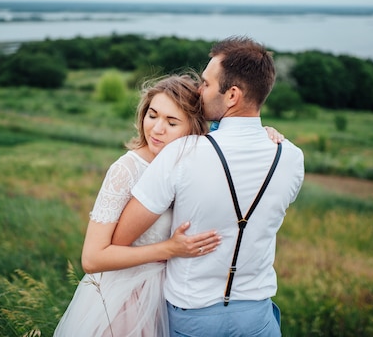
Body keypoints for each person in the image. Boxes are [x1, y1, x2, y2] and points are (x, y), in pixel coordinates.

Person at [54, 73, 285, 337]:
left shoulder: (198, 162)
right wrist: (168, 249)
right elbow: (92, 258)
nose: (156, 129)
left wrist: (264, 133)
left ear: (194, 128)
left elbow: (235, 136)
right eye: (152, 115)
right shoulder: (126, 170)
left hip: (180, 300)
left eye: (171, 122)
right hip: (128, 300)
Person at [113, 36, 305, 337]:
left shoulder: (183, 153)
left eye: (205, 83)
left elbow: (122, 236)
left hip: (192, 319)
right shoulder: (291, 157)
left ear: (231, 95)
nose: (199, 90)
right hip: (258, 318)